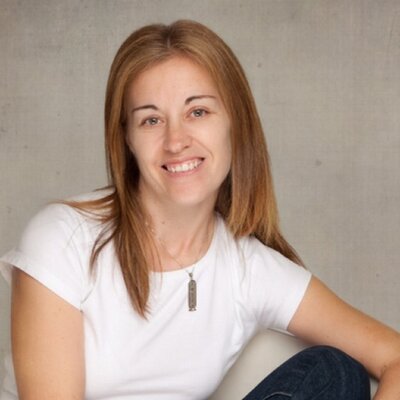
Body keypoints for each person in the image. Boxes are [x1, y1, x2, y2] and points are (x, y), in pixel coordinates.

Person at [1, 19, 399, 400]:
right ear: (127, 139)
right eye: (151, 120)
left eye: (198, 112)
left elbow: (394, 358)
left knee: (333, 373)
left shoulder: (248, 269)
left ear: (235, 123)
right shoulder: (65, 238)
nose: (176, 141)